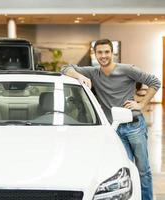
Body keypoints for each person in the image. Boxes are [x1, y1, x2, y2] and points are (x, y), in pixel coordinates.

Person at [61, 39, 160, 200]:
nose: (103, 56)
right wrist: (79, 76)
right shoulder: (94, 72)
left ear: (112, 52)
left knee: (143, 170)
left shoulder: (127, 70)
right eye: (100, 52)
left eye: (106, 52)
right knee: (125, 170)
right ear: (95, 54)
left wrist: (141, 103)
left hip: (134, 126)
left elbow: (155, 82)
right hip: (114, 130)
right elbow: (65, 68)